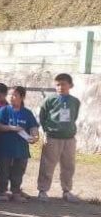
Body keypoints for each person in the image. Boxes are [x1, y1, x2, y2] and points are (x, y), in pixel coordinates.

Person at [36, 73, 79, 202]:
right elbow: (42, 116)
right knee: (47, 164)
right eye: (58, 85)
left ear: (70, 85)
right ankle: (43, 190)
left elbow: (74, 116)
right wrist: (46, 130)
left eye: (63, 84)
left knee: (68, 165)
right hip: (53, 137)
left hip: (69, 138)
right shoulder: (50, 100)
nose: (60, 87)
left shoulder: (75, 101)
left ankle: (67, 190)